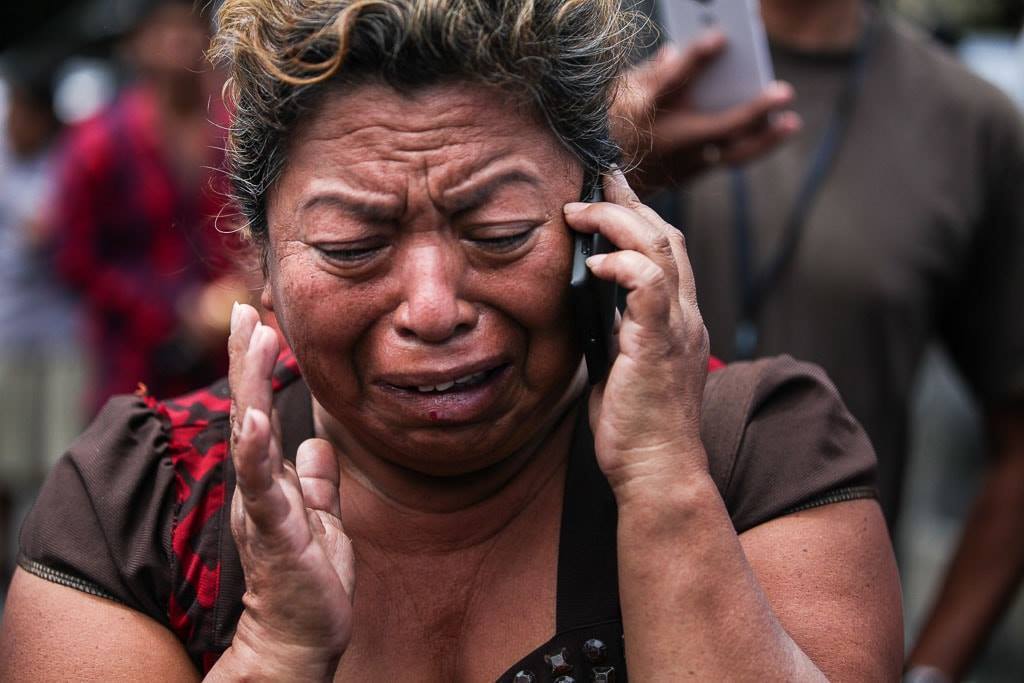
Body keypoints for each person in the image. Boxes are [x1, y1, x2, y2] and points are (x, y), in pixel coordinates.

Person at [0, 1, 902, 680]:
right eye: (355, 248)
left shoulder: (759, 454)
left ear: (607, 223)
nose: (432, 308)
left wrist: (665, 482)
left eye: (500, 232)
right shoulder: (136, 512)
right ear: (261, 262)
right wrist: (273, 650)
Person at [651, 0, 1024, 679]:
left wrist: (932, 669)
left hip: (836, 632)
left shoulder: (969, 121)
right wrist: (623, 150)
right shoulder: (612, 67)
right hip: (597, 608)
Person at [51, 0, 246, 416]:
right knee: (135, 465)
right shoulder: (99, 142)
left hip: (231, 353)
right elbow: (75, 258)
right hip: (135, 364)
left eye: (189, 28)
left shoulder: (239, 129)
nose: (178, 42)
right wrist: (174, 309)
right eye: (163, 29)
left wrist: (239, 292)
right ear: (136, 44)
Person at [0, 56, 83, 599]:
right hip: (7, 332)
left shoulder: (69, 165)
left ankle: (37, 576)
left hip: (61, 334)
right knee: (7, 464)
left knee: (52, 461)